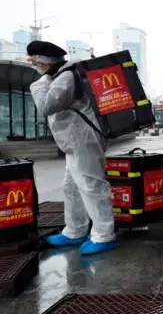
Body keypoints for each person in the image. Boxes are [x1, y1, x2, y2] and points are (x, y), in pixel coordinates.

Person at [28, 41, 119, 255]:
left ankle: (104, 235)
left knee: (91, 185)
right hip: (74, 141)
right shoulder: (61, 75)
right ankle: (75, 231)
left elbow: (47, 106)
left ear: (44, 62)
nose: (34, 66)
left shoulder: (66, 77)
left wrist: (39, 85)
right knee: (72, 187)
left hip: (84, 139)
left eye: (35, 62)